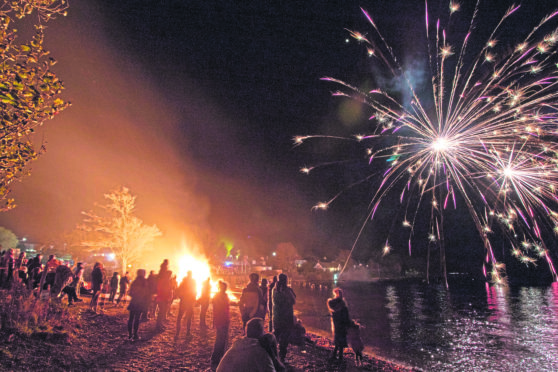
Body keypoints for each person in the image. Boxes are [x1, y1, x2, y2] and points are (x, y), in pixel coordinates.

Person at [272, 273, 296, 362]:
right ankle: (282, 356)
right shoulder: (287, 290)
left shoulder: (274, 290)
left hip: (277, 316)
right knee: (285, 337)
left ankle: (273, 352)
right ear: (286, 280)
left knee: (277, 334)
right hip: (286, 317)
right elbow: (293, 300)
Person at [210, 280, 230, 370]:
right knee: (219, 340)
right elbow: (217, 309)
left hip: (225, 319)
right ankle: (215, 358)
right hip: (220, 319)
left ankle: (221, 357)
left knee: (223, 339)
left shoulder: (223, 295)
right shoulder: (218, 296)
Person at [327, 288, 351, 362]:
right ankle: (338, 356)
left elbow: (330, 303)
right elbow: (346, 317)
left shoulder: (333, 306)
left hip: (337, 325)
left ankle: (335, 355)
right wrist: (349, 324)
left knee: (337, 340)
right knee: (341, 341)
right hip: (342, 326)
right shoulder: (343, 306)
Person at [127, 269, 150, 341]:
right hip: (140, 303)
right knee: (137, 319)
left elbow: (130, 293)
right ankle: (135, 334)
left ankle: (130, 334)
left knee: (131, 318)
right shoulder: (145, 282)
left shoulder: (134, 282)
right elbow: (147, 294)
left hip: (134, 302)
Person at [175, 270, 196, 339]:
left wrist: (181, 296)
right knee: (188, 317)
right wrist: (194, 299)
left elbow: (178, 290)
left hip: (184, 301)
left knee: (180, 317)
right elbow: (194, 291)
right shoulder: (192, 282)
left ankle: (177, 332)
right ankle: (187, 332)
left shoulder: (183, 282)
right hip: (189, 302)